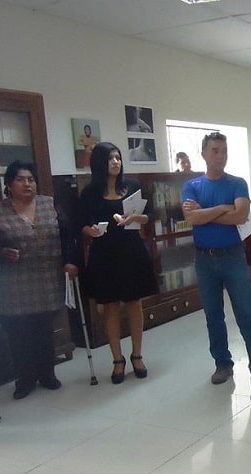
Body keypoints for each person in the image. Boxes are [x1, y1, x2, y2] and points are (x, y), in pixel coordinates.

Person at [181, 132, 251, 390]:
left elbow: (240, 216)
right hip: (204, 259)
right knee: (213, 315)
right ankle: (222, 364)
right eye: (215, 151)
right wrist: (224, 208)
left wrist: (205, 213)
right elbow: (191, 219)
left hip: (232, 257)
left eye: (224, 151)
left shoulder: (237, 183)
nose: (220, 156)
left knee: (247, 313)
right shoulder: (192, 186)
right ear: (203, 153)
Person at [0, 161, 79, 400]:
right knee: (19, 334)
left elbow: (68, 235)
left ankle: (47, 374)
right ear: (9, 184)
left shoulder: (49, 204)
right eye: (20, 179)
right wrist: (1, 253)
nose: (27, 184)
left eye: (30, 179)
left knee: (44, 330)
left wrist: (71, 261)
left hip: (47, 278)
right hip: (14, 284)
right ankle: (25, 379)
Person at [79, 142, 158, 384]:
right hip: (104, 254)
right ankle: (117, 359)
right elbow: (80, 224)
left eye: (118, 157)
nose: (116, 162)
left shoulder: (132, 186)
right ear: (99, 163)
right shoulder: (90, 192)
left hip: (130, 251)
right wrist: (90, 230)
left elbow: (150, 215)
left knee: (134, 303)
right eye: (110, 158)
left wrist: (136, 217)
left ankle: (137, 355)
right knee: (110, 307)